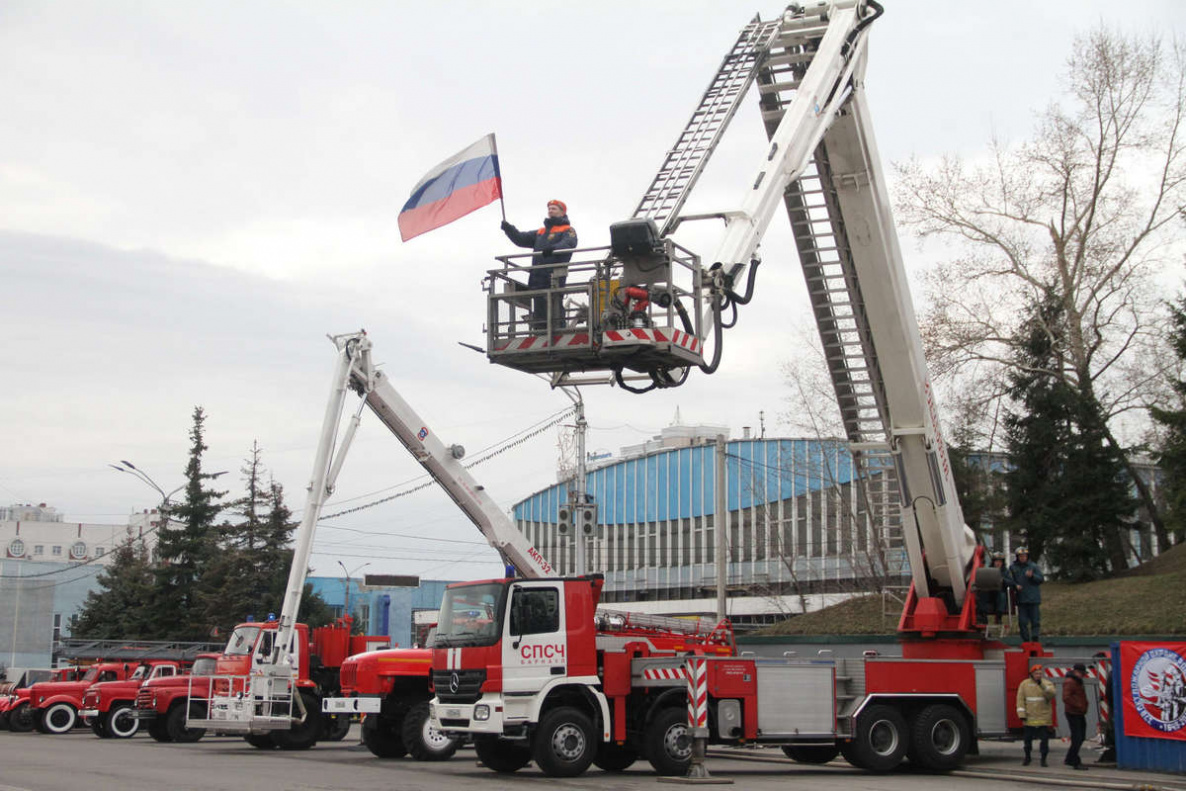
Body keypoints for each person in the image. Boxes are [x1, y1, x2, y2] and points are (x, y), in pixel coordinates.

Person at [501, 200, 578, 330]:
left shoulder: (568, 230)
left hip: (553, 276)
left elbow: (569, 243)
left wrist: (553, 249)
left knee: (555, 308)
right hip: (537, 277)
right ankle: (540, 332)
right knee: (539, 310)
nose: (551, 210)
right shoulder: (541, 232)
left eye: (554, 208)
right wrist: (509, 229)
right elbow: (521, 239)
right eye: (549, 208)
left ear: (562, 212)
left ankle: (558, 330)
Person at [1017, 663, 1056, 767]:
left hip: (1043, 718)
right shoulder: (1024, 684)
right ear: (1031, 674)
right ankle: (1027, 757)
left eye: (1040, 673)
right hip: (1029, 717)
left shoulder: (1047, 683)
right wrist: (1021, 713)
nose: (1038, 675)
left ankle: (1043, 760)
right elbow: (1020, 700)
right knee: (1027, 741)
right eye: (1036, 673)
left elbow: (1052, 694)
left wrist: (1041, 684)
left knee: (1044, 741)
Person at [1009, 546, 1044, 642]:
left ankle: (1035, 637)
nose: (1023, 558)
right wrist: (1015, 585)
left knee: (1035, 621)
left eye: (1024, 556)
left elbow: (1040, 579)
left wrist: (1032, 576)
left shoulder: (1033, 566)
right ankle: (1025, 639)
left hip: (1033, 598)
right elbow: (1010, 580)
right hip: (1021, 599)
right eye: (1021, 556)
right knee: (1022, 622)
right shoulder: (1013, 567)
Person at [1062, 663, 1089, 770]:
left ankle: (1071, 758)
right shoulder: (1070, 682)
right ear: (1077, 672)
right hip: (1073, 713)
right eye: (1082, 673)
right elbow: (1066, 697)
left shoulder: (1076, 681)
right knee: (1078, 737)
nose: (1083, 676)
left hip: (1077, 712)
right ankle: (1073, 760)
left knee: (1079, 737)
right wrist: (1079, 705)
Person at [976, 551, 1011, 625]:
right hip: (989, 592)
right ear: (993, 562)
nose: (998, 563)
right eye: (996, 561)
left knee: (1002, 596)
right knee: (983, 593)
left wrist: (1003, 580)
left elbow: (1011, 582)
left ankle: (999, 616)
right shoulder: (988, 570)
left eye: (1000, 561)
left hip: (999, 592)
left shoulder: (1005, 571)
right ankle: (983, 615)